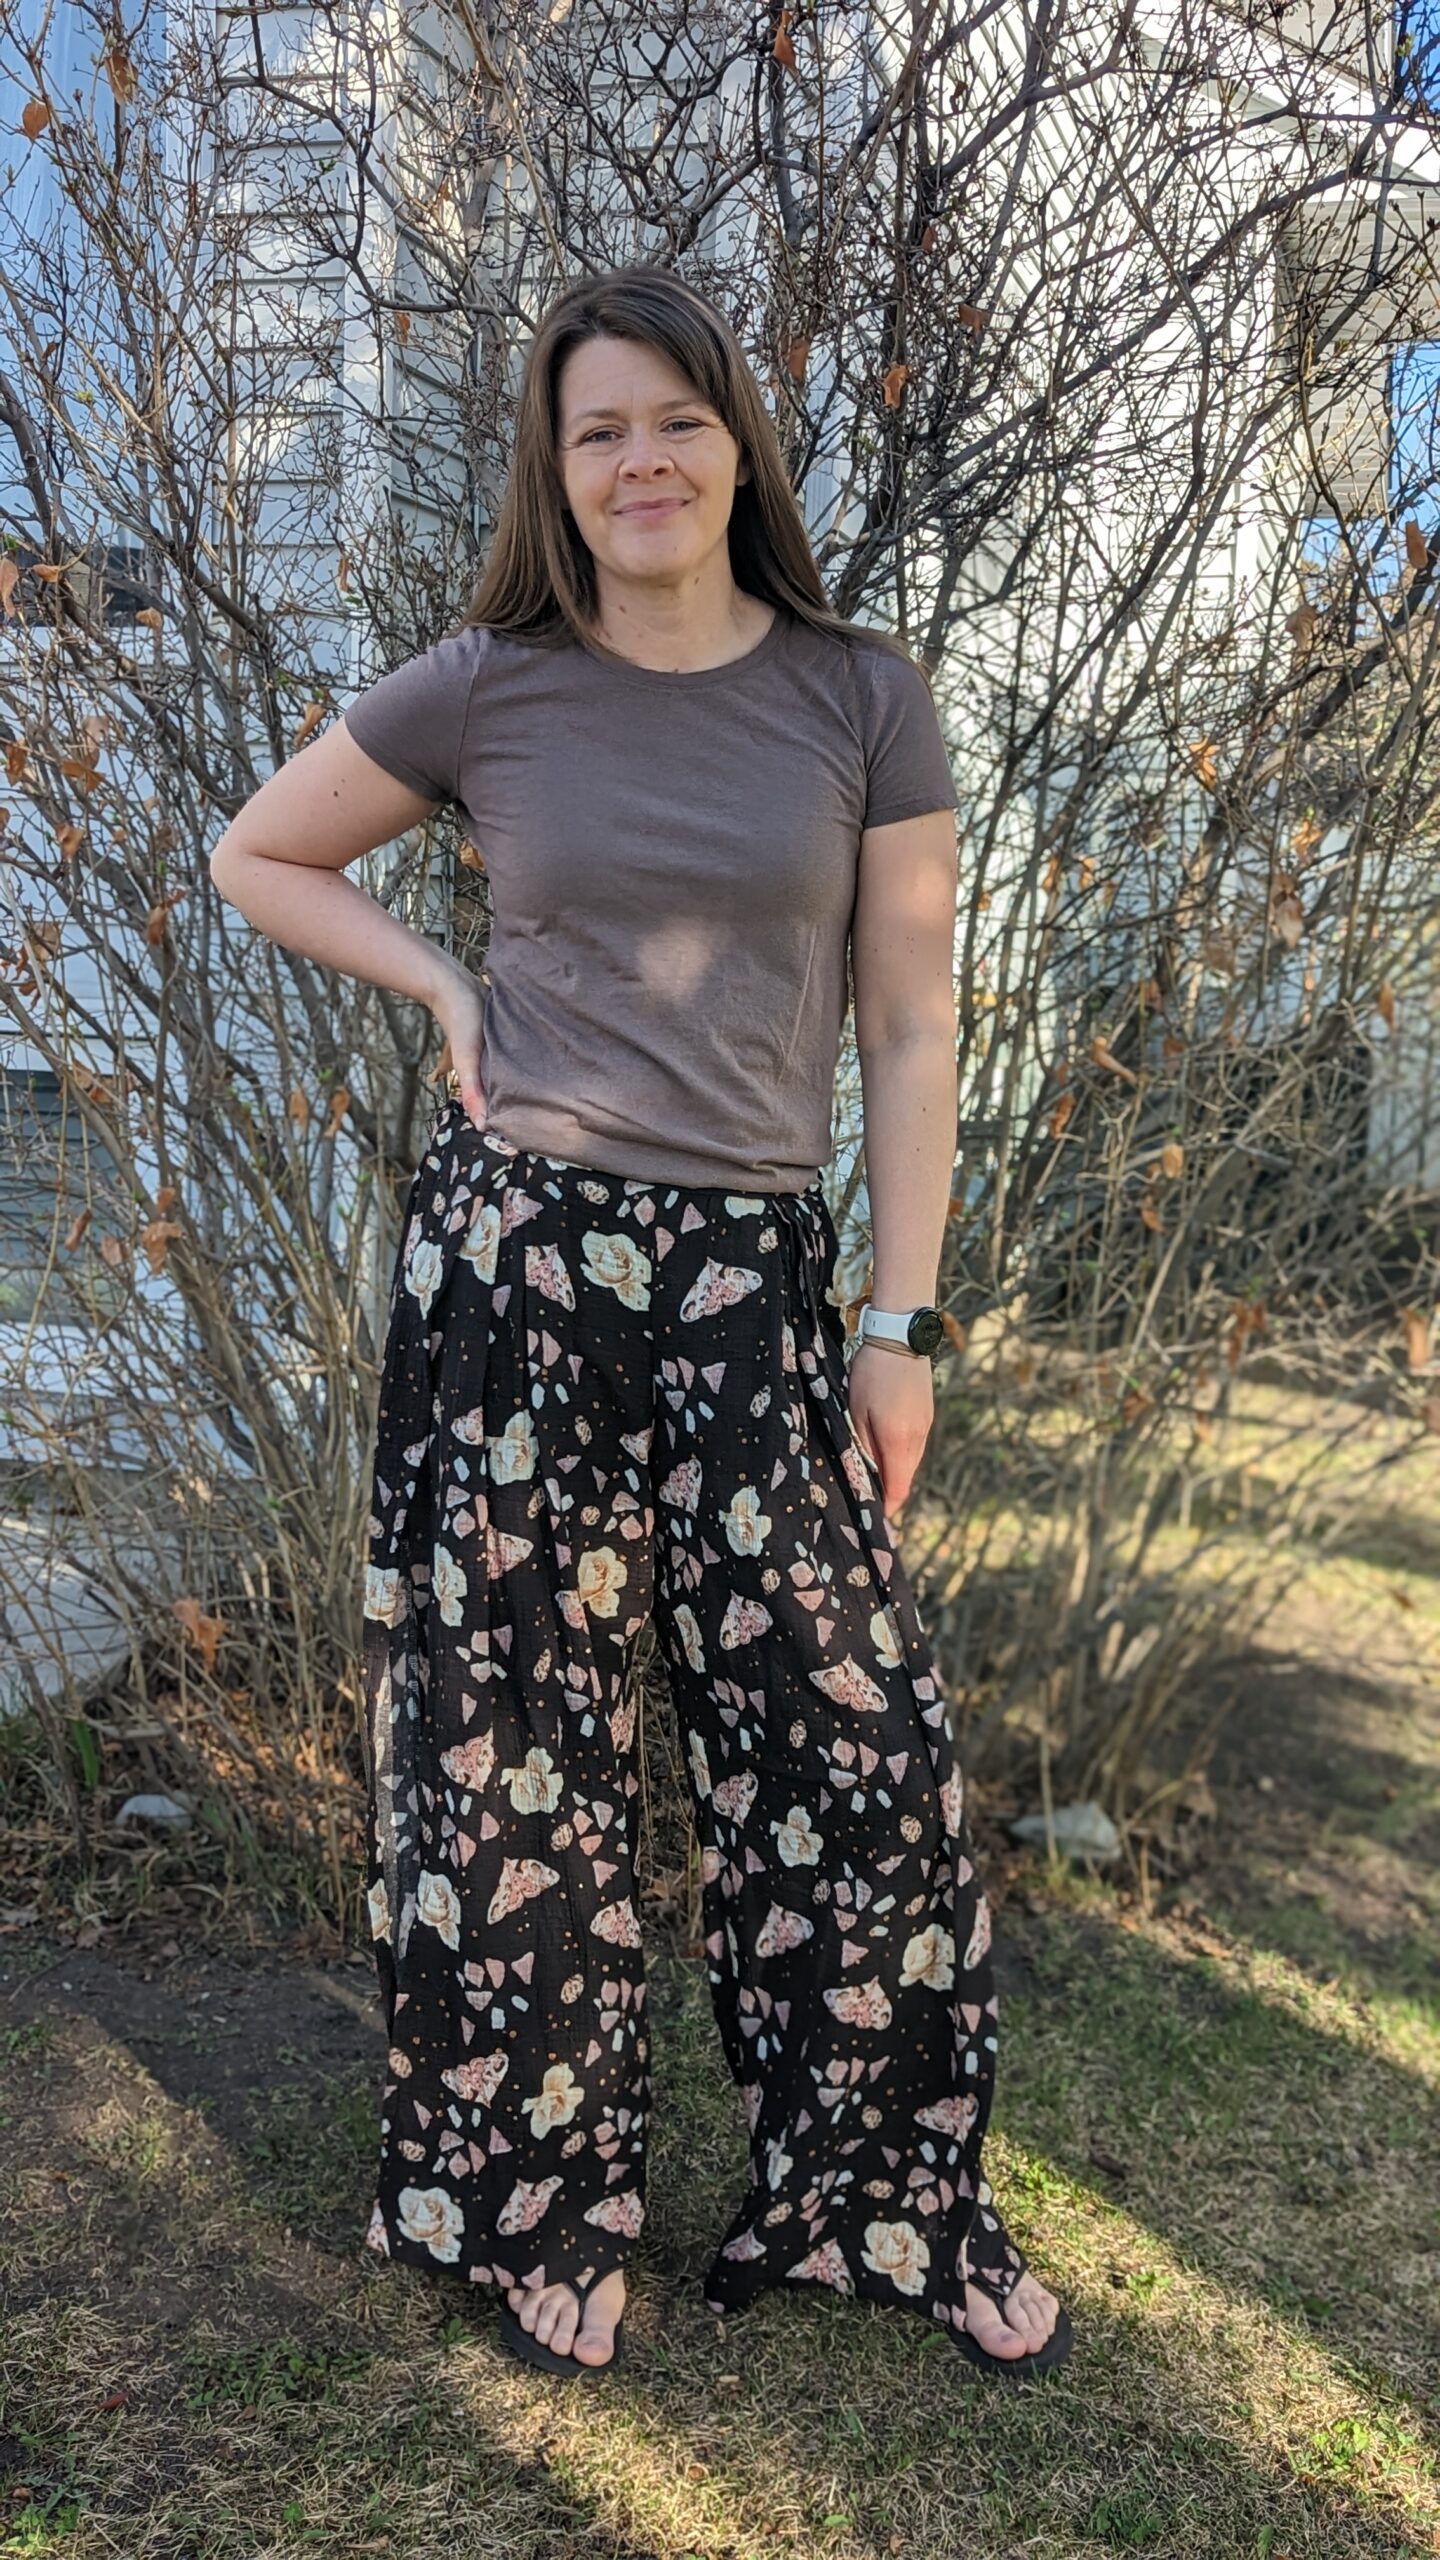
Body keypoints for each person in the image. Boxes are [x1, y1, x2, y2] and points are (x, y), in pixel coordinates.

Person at [209, 262, 1071, 2384]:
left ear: (736, 444)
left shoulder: (861, 694)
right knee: (520, 1760)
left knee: (853, 1748)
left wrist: (901, 1321)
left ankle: (885, 2199)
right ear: (559, 468)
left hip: (757, 1288)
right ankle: (534, 2208)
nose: (644, 460)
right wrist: (445, 985)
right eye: (599, 430)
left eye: (677, 418)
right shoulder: (491, 685)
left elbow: (911, 1022)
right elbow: (260, 855)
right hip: (516, 1274)